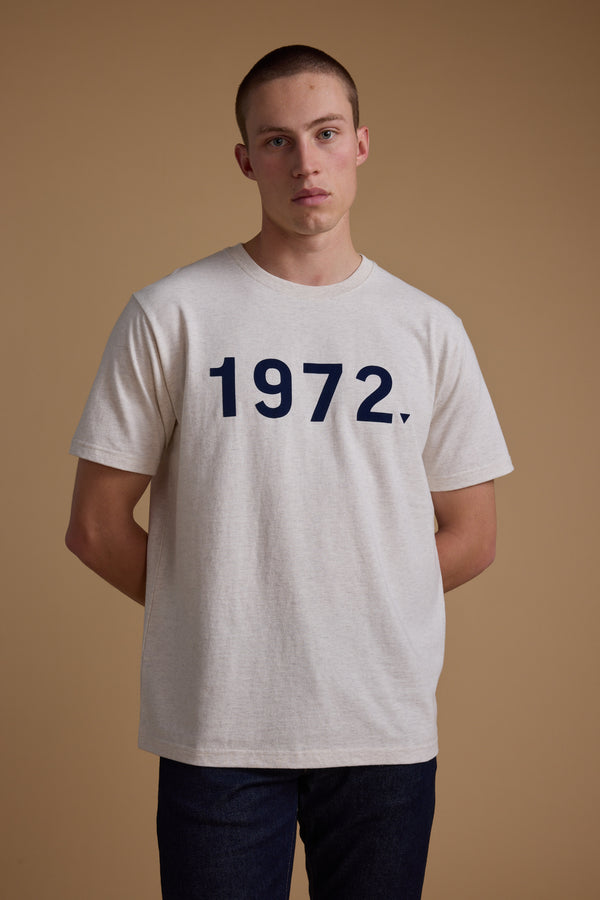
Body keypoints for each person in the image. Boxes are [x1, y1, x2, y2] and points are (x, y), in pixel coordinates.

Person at [66, 45, 513, 900]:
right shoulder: (173, 314)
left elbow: (474, 534)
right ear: (246, 160)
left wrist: (354, 615)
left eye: (326, 133)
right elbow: (95, 527)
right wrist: (224, 617)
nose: (306, 162)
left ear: (360, 144)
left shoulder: (427, 330)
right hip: (219, 729)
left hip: (380, 725)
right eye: (277, 141)